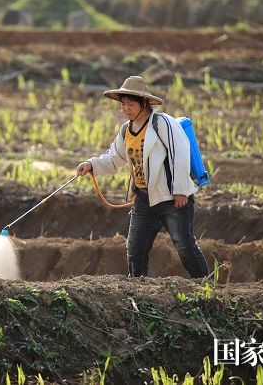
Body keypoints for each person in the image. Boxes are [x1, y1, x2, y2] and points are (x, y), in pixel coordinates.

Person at [76, 75, 209, 279]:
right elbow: (114, 159)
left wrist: (181, 191)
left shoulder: (162, 123)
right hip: (144, 199)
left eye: (131, 104)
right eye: (123, 104)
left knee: (185, 246)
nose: (126, 109)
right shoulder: (126, 131)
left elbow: (180, 154)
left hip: (172, 199)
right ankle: (137, 290)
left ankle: (206, 287)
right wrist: (91, 164)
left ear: (144, 103)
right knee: (135, 250)